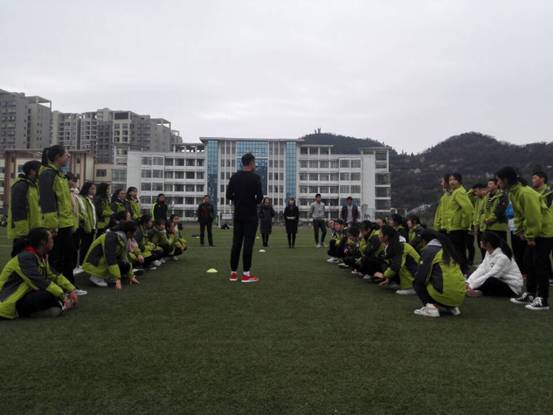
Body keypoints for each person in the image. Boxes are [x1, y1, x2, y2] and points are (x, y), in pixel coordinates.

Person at [497, 166, 553, 311]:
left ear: (506, 180)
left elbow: (534, 217)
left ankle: (543, 299)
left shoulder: (525, 193)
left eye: (499, 180)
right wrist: (520, 230)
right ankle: (530, 294)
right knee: (528, 262)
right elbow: (519, 215)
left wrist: (530, 236)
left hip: (544, 232)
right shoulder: (513, 193)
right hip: (535, 232)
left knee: (540, 264)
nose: (498, 183)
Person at [0, 228, 78, 319]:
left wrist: (71, 290)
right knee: (49, 294)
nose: (53, 239)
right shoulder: (25, 258)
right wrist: (63, 296)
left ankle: (55, 307)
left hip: (22, 295)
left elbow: (54, 275)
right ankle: (31, 312)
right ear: (43, 242)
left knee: (52, 293)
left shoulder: (40, 256)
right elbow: (39, 282)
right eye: (51, 238)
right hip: (9, 301)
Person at [39, 145, 77, 285]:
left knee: (68, 256)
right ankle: (57, 287)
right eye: (66, 154)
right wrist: (52, 226)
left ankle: (69, 286)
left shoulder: (61, 175)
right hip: (57, 226)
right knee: (56, 258)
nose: (69, 156)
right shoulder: (48, 175)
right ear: (57, 157)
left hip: (66, 223)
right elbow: (48, 202)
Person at [226, 153, 264, 283]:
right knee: (248, 244)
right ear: (251, 163)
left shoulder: (235, 177)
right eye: (255, 162)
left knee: (236, 244)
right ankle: (246, 275)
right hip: (251, 215)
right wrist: (251, 201)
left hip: (238, 215)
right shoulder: (255, 178)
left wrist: (238, 200)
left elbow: (228, 195)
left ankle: (233, 273)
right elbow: (260, 198)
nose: (255, 165)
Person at [412, 229, 466, 317]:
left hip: (443, 293)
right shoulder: (447, 248)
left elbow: (421, 277)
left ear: (424, 241)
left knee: (417, 282)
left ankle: (431, 308)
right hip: (459, 297)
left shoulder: (429, 250)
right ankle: (452, 307)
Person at [83, 220, 140, 289]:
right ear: (128, 232)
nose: (135, 234)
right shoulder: (111, 237)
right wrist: (117, 278)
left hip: (102, 259)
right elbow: (110, 258)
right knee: (112, 260)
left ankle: (108, 276)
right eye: (134, 232)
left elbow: (124, 257)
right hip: (93, 262)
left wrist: (131, 276)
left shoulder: (123, 238)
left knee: (125, 265)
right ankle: (96, 277)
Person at [466, 232, 523, 297]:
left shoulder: (502, 257)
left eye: (482, 240)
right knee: (471, 274)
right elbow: (482, 269)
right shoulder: (488, 252)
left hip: (512, 288)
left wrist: (472, 286)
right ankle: (477, 290)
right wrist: (468, 282)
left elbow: (493, 275)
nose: (480, 242)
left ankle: (479, 291)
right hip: (500, 280)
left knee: (491, 280)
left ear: (488, 243)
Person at [7, 160, 42, 257]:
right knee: (19, 258)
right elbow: (18, 209)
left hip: (32, 231)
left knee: (30, 259)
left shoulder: (34, 186)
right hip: (23, 233)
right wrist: (23, 232)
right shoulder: (21, 185)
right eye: (40, 170)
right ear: (32, 171)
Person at [373, 225, 420, 295]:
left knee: (399, 265)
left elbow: (397, 265)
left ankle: (411, 288)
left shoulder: (400, 245)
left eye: (380, 233)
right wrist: (388, 279)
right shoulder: (391, 244)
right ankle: (397, 283)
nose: (378, 236)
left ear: (386, 236)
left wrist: (384, 275)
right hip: (415, 270)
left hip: (417, 271)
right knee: (385, 264)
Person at [446, 173, 474, 271]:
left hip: (457, 228)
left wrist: (465, 224)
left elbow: (468, 209)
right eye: (450, 180)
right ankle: (464, 271)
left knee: (457, 252)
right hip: (454, 227)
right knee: (460, 251)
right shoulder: (455, 192)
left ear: (459, 181)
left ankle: (463, 271)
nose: (451, 182)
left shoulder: (458, 192)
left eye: (454, 179)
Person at [481, 178, 509, 242]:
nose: (488, 186)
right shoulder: (487, 196)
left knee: (500, 246)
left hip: (499, 226)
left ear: (496, 185)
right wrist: (484, 220)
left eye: (490, 184)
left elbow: (500, 210)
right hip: (488, 226)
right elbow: (484, 210)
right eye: (488, 184)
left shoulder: (502, 195)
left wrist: (490, 220)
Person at [77, 182, 97, 269]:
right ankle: (81, 263)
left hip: (92, 226)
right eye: (92, 188)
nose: (94, 190)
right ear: (87, 189)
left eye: (94, 188)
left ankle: (85, 263)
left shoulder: (90, 199)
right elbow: (82, 212)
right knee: (84, 246)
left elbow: (93, 214)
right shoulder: (81, 199)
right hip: (85, 226)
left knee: (89, 246)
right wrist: (86, 222)